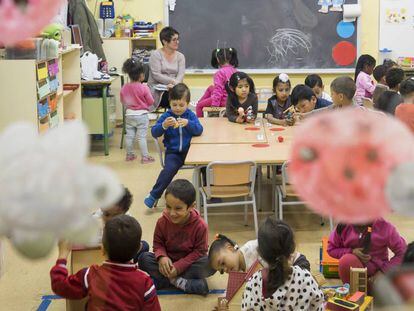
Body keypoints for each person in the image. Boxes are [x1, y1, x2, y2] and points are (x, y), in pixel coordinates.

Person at [50, 215, 161, 310]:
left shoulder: (91, 274)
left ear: (102, 249)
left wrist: (63, 255)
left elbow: (59, 285)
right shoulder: (145, 282)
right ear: (139, 249)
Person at [139, 180, 215, 295]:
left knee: (211, 262)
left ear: (191, 207)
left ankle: (163, 281)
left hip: (188, 264)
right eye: (168, 207)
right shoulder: (162, 222)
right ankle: (182, 283)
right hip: (167, 264)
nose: (172, 213)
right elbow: (158, 244)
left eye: (178, 208)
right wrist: (162, 257)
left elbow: (200, 252)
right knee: (144, 258)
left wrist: (179, 267)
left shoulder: (201, 226)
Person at [241, 217, 324, 311]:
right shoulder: (305, 279)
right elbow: (318, 306)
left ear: (260, 253)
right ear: (292, 249)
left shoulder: (252, 284)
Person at [144, 84, 203, 208]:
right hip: (173, 153)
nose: (177, 108)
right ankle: (154, 195)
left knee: (204, 164)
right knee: (168, 171)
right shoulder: (166, 116)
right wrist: (164, 125)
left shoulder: (190, 115)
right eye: (174, 105)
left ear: (187, 104)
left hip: (190, 151)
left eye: (181, 105)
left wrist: (188, 124)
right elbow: (154, 132)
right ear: (170, 103)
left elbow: (199, 130)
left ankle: (210, 194)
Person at [327, 219, 407, 285]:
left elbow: (403, 252)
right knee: (346, 261)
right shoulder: (343, 226)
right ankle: (357, 294)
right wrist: (351, 251)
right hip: (355, 276)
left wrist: (383, 271)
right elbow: (331, 249)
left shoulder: (385, 227)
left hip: (378, 277)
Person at [92, 186, 149, 259]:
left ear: (125, 212)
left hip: (121, 252)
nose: (110, 219)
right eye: (106, 214)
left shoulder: (129, 221)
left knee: (144, 245)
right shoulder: (95, 220)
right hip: (101, 253)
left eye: (115, 216)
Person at [208, 233, 310, 274]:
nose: (225, 270)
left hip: (297, 264)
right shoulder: (240, 268)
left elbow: (274, 273)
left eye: (223, 263)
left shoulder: (252, 249)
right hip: (281, 274)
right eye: (221, 271)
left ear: (230, 248)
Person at [120, 58, 155, 163]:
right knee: (141, 137)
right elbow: (151, 101)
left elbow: (123, 101)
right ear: (141, 75)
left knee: (129, 136)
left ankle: (129, 155)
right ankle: (145, 157)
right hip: (142, 115)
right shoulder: (144, 88)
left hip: (129, 115)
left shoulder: (124, 88)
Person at [147, 27, 185, 111]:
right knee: (174, 95)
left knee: (182, 93)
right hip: (157, 89)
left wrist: (175, 85)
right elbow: (157, 75)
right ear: (165, 41)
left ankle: (179, 120)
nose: (177, 42)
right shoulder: (156, 55)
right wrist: (173, 82)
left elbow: (181, 74)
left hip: (174, 87)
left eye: (178, 39)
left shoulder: (180, 56)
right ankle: (172, 119)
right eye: (174, 40)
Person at [195, 48, 238, 117]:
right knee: (211, 88)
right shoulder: (235, 71)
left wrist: (215, 105)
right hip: (231, 99)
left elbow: (219, 90)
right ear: (230, 58)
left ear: (217, 59)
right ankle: (200, 102)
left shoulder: (219, 73)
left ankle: (200, 125)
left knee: (199, 106)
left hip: (223, 100)